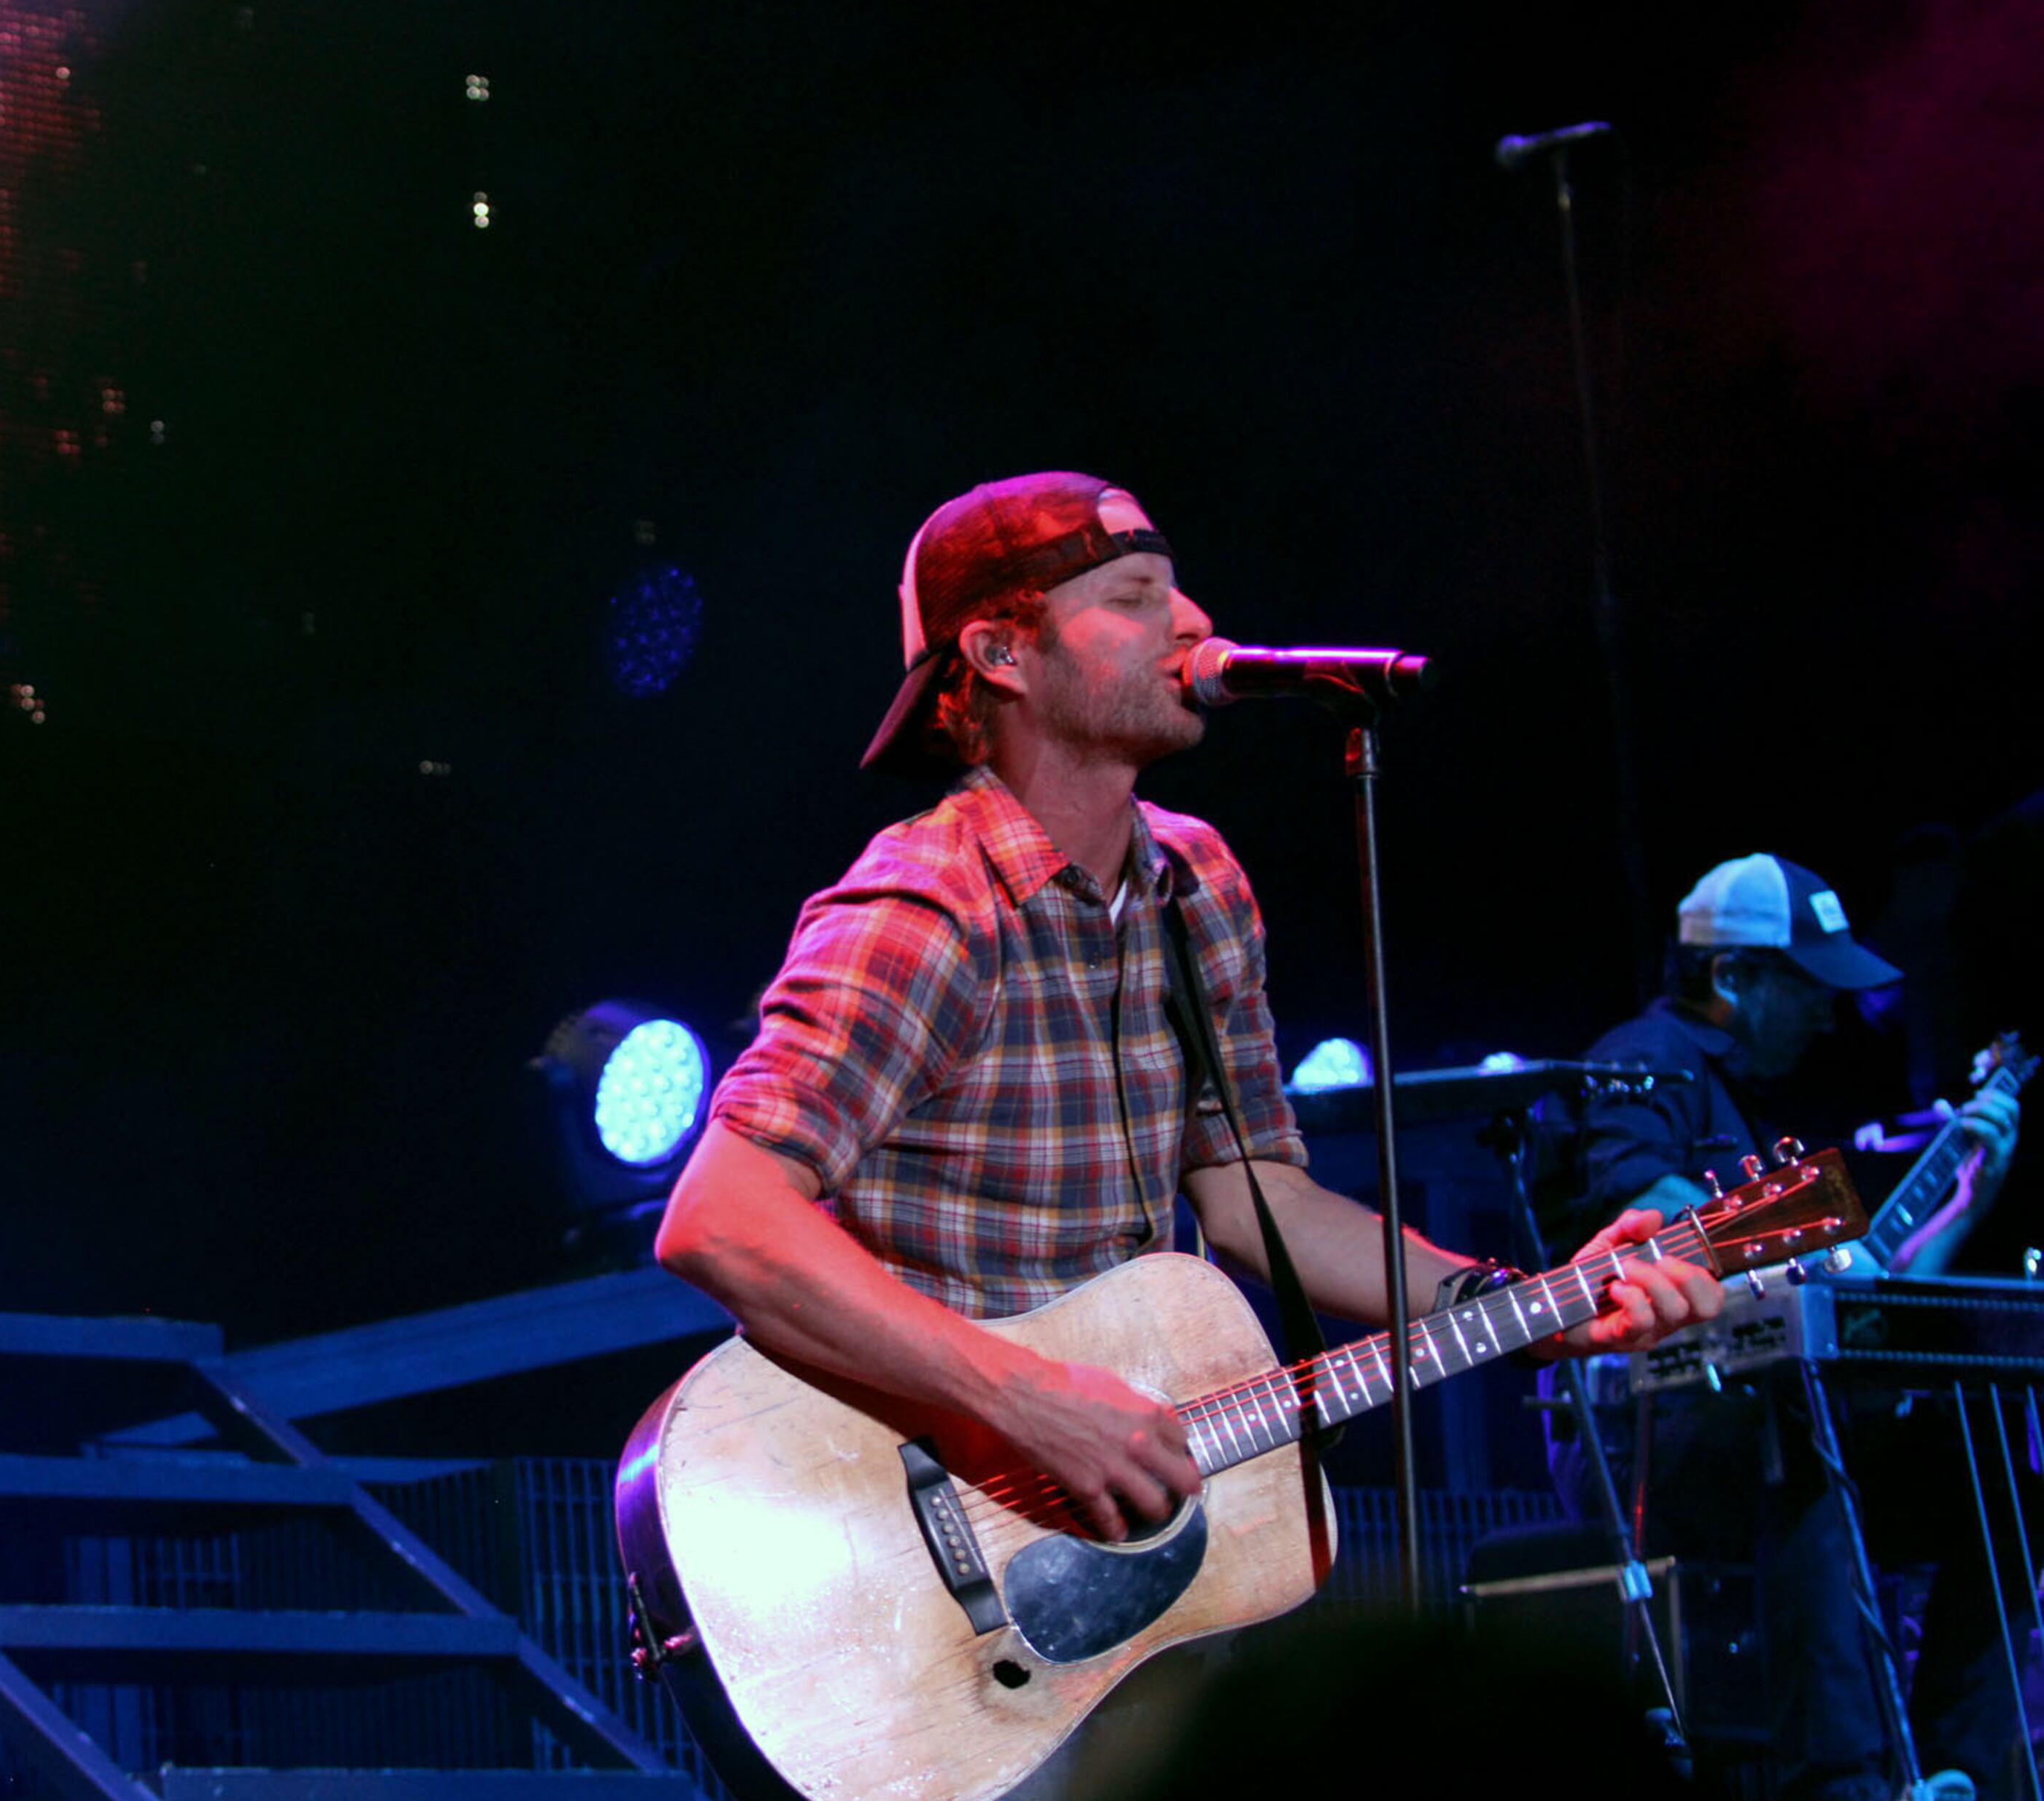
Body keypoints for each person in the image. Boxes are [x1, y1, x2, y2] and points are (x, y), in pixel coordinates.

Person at [653, 469, 1723, 1554]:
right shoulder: (930, 908)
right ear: (1000, 656)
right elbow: (721, 1219)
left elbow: (1264, 1204)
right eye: (1133, 596)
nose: (1196, 621)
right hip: (916, 1530)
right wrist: (1031, 1401)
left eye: (1180, 588)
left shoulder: (1196, 884)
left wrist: (1533, 1304)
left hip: (1111, 1535)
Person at [1561, 852, 2024, 1801]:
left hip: (1778, 1408)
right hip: (1658, 1430)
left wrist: (1961, 1208)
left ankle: (1954, 1769)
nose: (1830, 1012)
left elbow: (1863, 1314)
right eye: (1811, 987)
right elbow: (1653, 1210)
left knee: (1997, 1482)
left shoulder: (1762, 1098)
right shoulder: (1644, 1061)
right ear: (1735, 976)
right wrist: (1786, 1249)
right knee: (1803, 1451)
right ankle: (1844, 1783)